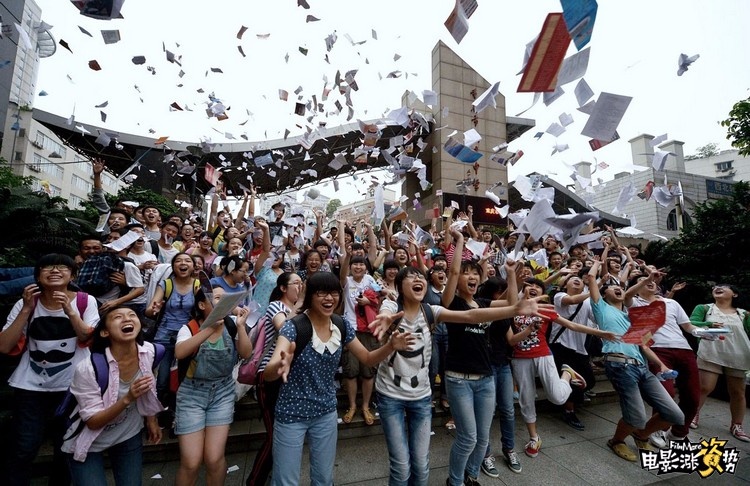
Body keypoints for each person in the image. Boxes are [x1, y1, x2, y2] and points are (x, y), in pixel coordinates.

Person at [371, 265, 548, 485]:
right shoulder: (392, 304)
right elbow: (386, 310)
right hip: (395, 395)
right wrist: (386, 316)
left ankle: (469, 476)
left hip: (426, 395)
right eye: (411, 277)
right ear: (398, 286)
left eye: (420, 276)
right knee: (401, 465)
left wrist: (515, 309)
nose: (418, 279)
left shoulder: (431, 311)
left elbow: (471, 315)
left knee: (422, 463)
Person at [263, 271, 413, 486]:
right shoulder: (294, 326)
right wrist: (280, 364)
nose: (329, 298)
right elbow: (268, 373)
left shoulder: (341, 326)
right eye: (322, 293)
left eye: (334, 293)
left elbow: (368, 359)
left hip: (325, 413)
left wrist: (390, 346)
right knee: (285, 481)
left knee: (324, 479)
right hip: (291, 415)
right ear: (310, 296)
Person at [0, 254, 99, 486]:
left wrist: (70, 310)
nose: (54, 270)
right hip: (30, 387)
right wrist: (25, 310)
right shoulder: (27, 303)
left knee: (65, 449)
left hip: (72, 387)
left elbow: (86, 335)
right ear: (37, 276)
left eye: (62, 267)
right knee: (23, 447)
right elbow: (4, 345)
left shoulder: (86, 301)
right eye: (47, 267)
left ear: (73, 275)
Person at [586, 261, 684, 462]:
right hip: (619, 365)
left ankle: (641, 434)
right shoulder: (601, 308)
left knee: (676, 415)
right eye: (613, 288)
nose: (618, 290)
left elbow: (645, 346)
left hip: (643, 368)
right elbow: (591, 280)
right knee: (637, 416)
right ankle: (617, 440)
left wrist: (662, 364)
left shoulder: (634, 318)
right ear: (604, 295)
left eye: (620, 288)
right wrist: (597, 264)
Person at [62, 306, 163, 485]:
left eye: (132, 315)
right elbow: (92, 421)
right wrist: (128, 398)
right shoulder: (88, 369)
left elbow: (149, 386)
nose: (127, 319)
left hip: (128, 433)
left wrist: (151, 420)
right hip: (89, 441)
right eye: (118, 317)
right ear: (104, 332)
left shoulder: (151, 352)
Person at [174, 286, 252, 486]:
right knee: (191, 463)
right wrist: (210, 327)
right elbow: (180, 352)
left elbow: (246, 353)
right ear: (202, 305)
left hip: (223, 392)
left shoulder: (233, 324)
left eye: (226, 299)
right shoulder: (189, 328)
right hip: (192, 394)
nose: (224, 302)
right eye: (218, 298)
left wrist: (242, 327)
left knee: (214, 459)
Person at [245, 272, 302, 486]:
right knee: (274, 435)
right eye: (296, 283)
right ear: (283, 288)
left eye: (301, 283)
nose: (300, 287)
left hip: (287, 376)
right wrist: (302, 305)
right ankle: (255, 482)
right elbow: (285, 329)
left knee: (281, 435)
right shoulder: (276, 307)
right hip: (269, 376)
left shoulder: (296, 310)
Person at [690, 284, 750, 442]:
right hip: (710, 352)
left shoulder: (744, 314)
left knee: (738, 392)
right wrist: (708, 325)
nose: (717, 287)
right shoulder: (704, 308)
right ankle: (692, 415)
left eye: (724, 287)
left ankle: (737, 425)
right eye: (715, 287)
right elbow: (691, 323)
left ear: (735, 294)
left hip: (739, 355)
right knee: (704, 387)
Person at [144, 253, 197, 403]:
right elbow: (149, 310)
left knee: (184, 376)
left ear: (193, 266)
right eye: (178, 261)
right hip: (164, 336)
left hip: (187, 336)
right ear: (173, 266)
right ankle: (160, 408)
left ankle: (178, 409)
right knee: (162, 379)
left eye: (187, 260)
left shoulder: (198, 285)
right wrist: (154, 309)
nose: (183, 263)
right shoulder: (166, 284)